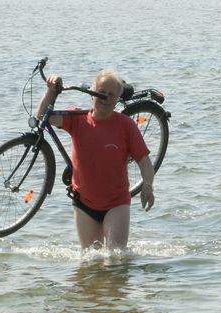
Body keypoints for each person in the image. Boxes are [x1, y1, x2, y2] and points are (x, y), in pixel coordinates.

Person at [36, 69, 156, 249]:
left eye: (111, 95)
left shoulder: (126, 126)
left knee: (115, 257)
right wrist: (51, 91)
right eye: (101, 92)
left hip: (116, 203)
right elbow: (42, 116)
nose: (105, 98)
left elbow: (144, 161)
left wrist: (147, 185)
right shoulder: (77, 119)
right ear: (91, 94)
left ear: (117, 100)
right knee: (90, 259)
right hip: (84, 203)